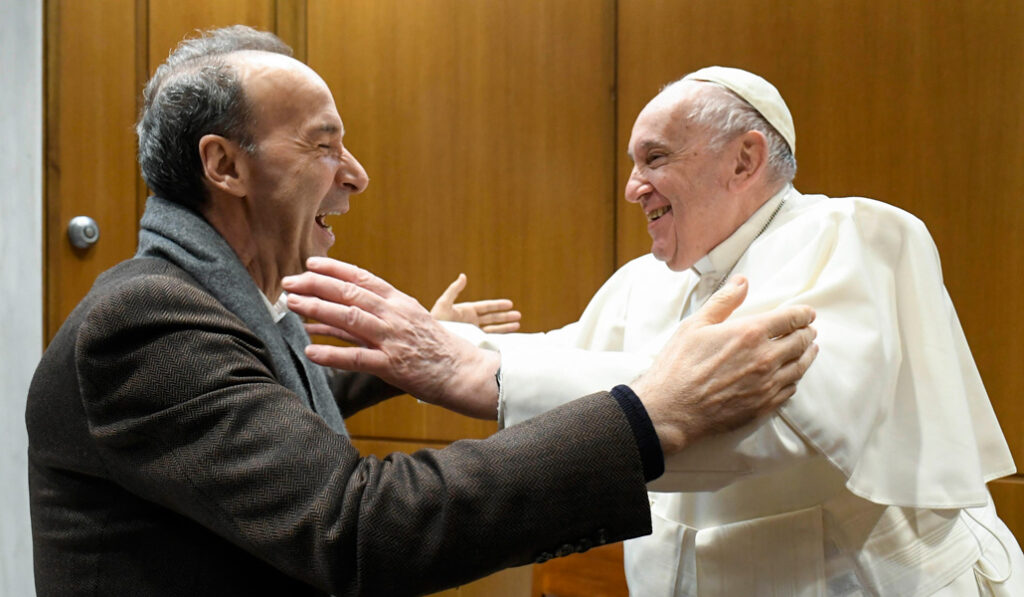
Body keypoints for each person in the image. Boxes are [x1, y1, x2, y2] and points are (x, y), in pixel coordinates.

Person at [25, 29, 819, 596]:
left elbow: (263, 406)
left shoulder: (212, 297)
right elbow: (360, 529)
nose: (356, 174)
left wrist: (413, 353)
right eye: (324, 145)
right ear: (225, 165)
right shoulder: (146, 323)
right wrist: (648, 416)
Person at [292, 67, 1024, 595]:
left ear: (745, 158)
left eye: (656, 159)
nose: (632, 186)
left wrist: (481, 373)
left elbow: (789, 419)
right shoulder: (655, 276)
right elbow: (569, 357)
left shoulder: (850, 234)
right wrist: (438, 344)